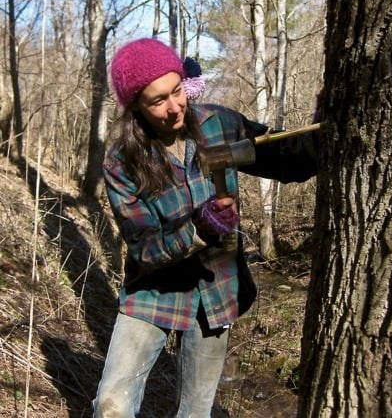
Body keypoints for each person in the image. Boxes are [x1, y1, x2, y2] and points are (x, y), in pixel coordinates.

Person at [93, 38, 318, 418]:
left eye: (177, 91)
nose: (174, 107)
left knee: (196, 412)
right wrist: (198, 229)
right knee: (112, 405)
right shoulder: (122, 160)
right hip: (154, 292)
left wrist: (327, 127)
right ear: (136, 107)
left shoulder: (220, 124)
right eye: (157, 101)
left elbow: (285, 161)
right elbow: (143, 249)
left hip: (215, 292)